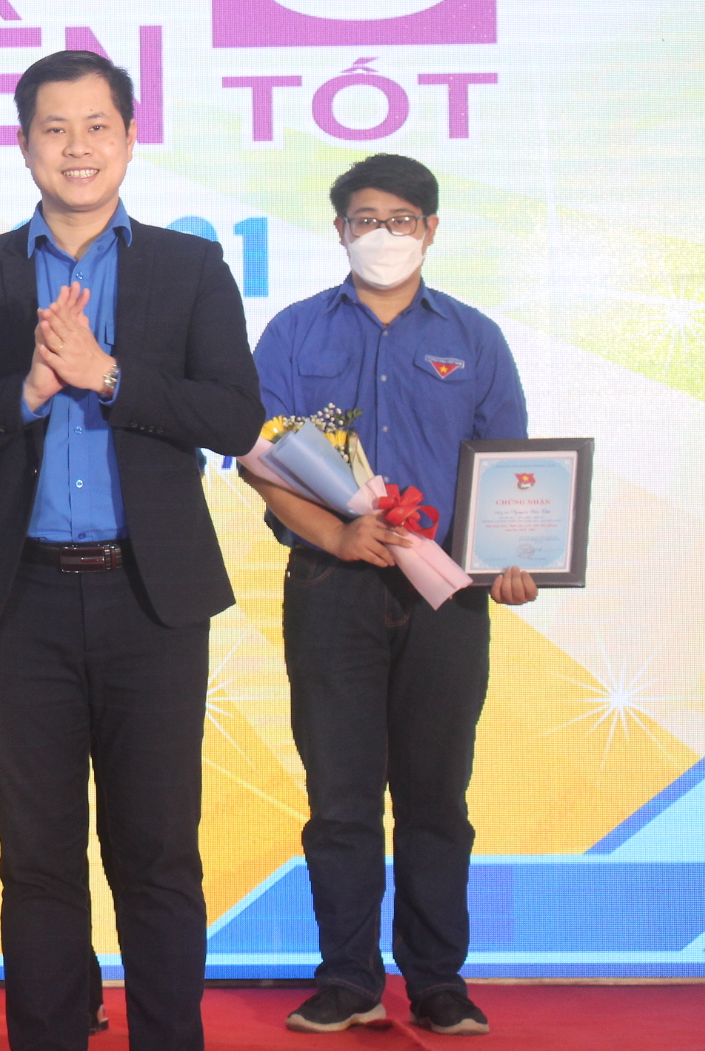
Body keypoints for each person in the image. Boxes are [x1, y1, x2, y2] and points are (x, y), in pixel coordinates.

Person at [0, 50, 264, 1051]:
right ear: (24, 144)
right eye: (54, 128)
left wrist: (110, 377)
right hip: (22, 603)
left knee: (158, 853)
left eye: (97, 125)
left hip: (151, 600)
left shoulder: (190, 268)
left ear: (131, 138)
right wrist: (23, 392)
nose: (77, 147)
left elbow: (236, 417)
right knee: (37, 858)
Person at [243, 154, 532, 1039]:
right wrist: (336, 534)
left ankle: (439, 981)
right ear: (339, 230)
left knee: (437, 796)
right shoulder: (293, 333)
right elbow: (258, 460)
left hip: (448, 593)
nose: (384, 235)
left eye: (401, 220)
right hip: (331, 584)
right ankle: (348, 979)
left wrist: (515, 559)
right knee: (340, 797)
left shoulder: (475, 338)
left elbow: (512, 471)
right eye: (366, 220)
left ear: (431, 231)